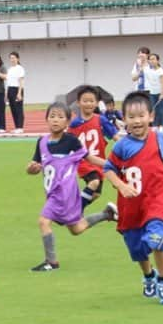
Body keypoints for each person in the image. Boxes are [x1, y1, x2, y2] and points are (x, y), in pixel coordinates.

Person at [102, 91, 163, 305]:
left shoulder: (159, 139)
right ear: (124, 119)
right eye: (131, 117)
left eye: (141, 116)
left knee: (157, 236)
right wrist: (120, 184)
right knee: (137, 248)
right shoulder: (122, 146)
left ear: (150, 116)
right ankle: (149, 275)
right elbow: (109, 169)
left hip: (158, 196)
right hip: (131, 203)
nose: (137, 121)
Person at [26, 102, 117, 271]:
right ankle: (107, 214)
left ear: (67, 122)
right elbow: (34, 166)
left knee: (43, 221)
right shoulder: (42, 142)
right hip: (52, 193)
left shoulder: (71, 141)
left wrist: (112, 165)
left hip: (64, 194)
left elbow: (90, 158)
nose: (55, 120)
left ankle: (51, 262)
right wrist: (31, 168)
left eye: (60, 117)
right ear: (46, 119)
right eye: (52, 116)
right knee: (76, 228)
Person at [68, 85, 119, 209]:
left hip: (99, 162)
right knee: (94, 182)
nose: (88, 104)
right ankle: (74, 212)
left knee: (95, 194)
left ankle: (71, 208)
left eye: (91, 101)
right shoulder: (74, 124)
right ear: (79, 103)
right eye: (85, 101)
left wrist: (126, 147)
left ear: (96, 103)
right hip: (83, 161)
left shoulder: (101, 120)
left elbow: (115, 136)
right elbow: (67, 142)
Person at [143, 53, 163, 128]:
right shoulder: (147, 69)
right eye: (150, 59)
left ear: (158, 60)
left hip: (159, 93)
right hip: (151, 93)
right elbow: (142, 63)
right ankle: (155, 125)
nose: (152, 61)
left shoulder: (160, 71)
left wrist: (162, 93)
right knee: (153, 110)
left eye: (153, 59)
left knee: (161, 110)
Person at [6, 51, 25, 133]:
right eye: (11, 58)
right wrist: (6, 94)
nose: (12, 59)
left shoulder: (20, 68)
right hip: (10, 89)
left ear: (17, 58)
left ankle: (20, 127)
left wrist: (19, 93)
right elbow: (8, 82)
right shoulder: (9, 69)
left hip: (17, 89)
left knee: (18, 109)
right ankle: (17, 127)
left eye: (14, 58)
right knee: (13, 109)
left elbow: (21, 81)